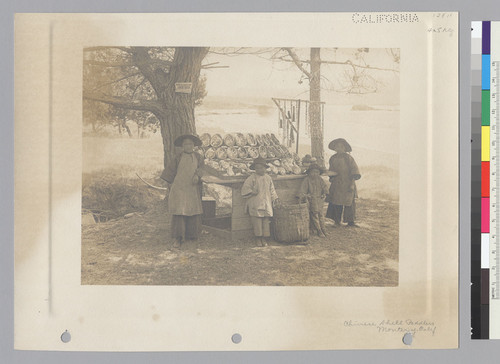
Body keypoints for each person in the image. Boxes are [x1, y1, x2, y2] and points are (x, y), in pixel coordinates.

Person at [161, 134, 205, 248]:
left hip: (192, 188)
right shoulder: (178, 157)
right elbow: (170, 171)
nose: (188, 146)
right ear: (182, 146)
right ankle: (178, 238)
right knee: (180, 211)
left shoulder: (198, 157)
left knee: (192, 210)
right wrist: (169, 184)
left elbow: (201, 169)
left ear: (194, 145)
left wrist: (197, 175)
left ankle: (192, 235)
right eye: (186, 144)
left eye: (190, 144)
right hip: (179, 188)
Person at [241, 157, 280, 247]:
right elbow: (245, 188)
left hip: (266, 203)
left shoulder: (268, 178)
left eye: (262, 168)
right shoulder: (252, 178)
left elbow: (272, 190)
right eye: (257, 168)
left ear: (265, 168)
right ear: (255, 169)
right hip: (256, 203)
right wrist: (251, 191)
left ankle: (264, 238)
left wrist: (275, 198)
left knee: (266, 221)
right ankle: (258, 238)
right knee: (257, 222)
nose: (260, 170)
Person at [325, 138, 361, 227]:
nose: (339, 148)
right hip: (337, 183)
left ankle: (350, 222)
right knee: (336, 201)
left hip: (348, 183)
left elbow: (355, 172)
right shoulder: (333, 158)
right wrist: (331, 177)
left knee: (349, 202)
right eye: (337, 147)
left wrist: (352, 184)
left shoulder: (349, 158)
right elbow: (331, 170)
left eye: (341, 147)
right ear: (335, 148)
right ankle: (337, 221)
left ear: (345, 148)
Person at [298, 163, 329, 237]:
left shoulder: (320, 179)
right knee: (314, 215)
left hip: (319, 200)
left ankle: (323, 229)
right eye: (313, 172)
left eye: (317, 172)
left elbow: (325, 188)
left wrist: (324, 193)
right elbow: (302, 191)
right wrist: (306, 196)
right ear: (309, 173)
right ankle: (319, 230)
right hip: (312, 200)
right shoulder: (307, 180)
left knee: (321, 215)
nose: (315, 174)